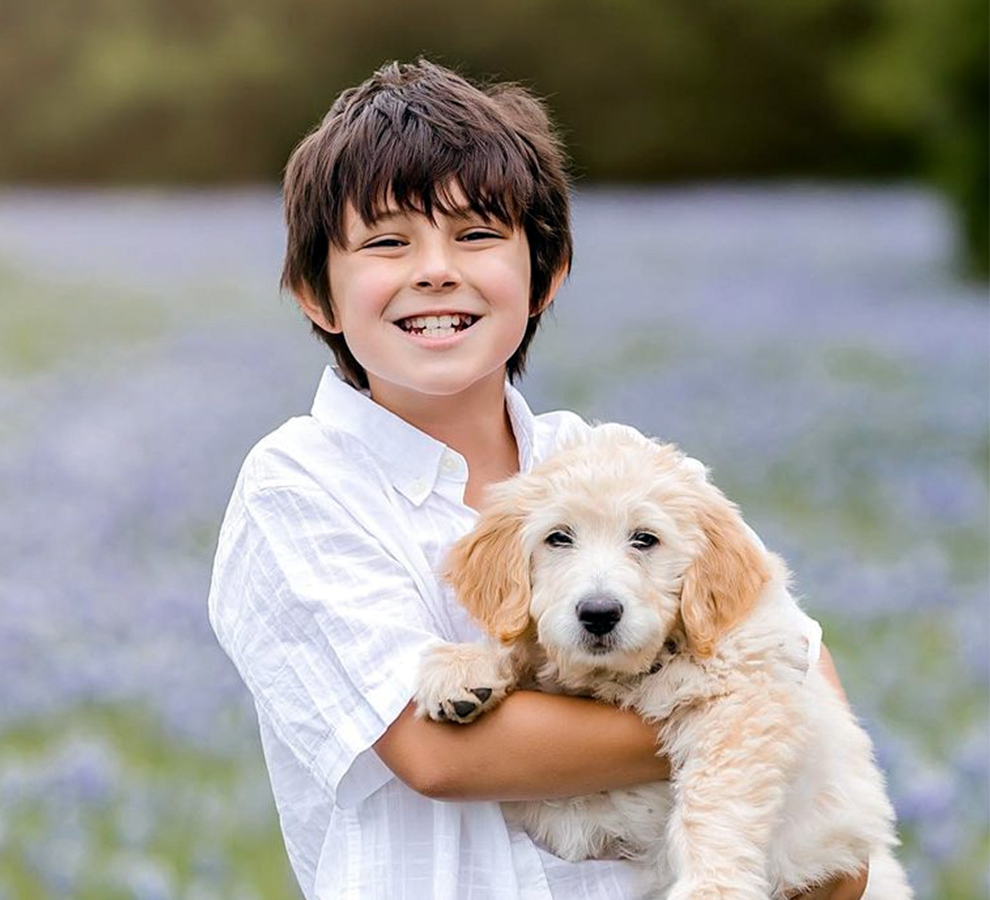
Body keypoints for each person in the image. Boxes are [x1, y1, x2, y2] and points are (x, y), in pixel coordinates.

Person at [208, 59, 868, 900]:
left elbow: (790, 644)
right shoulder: (296, 489)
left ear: (545, 275)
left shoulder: (612, 459)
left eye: (477, 234)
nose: (435, 269)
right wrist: (730, 716)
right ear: (316, 294)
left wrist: (781, 723)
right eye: (386, 241)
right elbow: (441, 751)